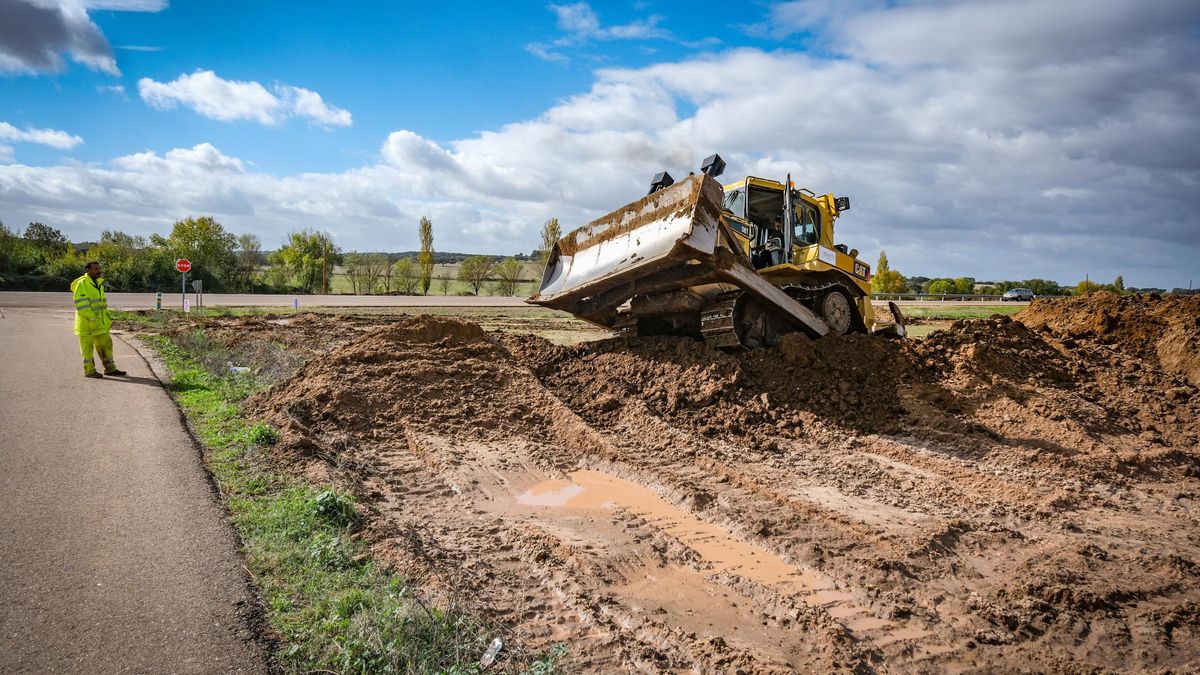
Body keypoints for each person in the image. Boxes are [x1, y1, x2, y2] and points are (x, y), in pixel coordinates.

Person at [71, 261, 126, 378]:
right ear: (88, 270)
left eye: (99, 268)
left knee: (106, 345)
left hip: (99, 324)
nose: (99, 271)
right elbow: (82, 306)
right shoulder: (83, 283)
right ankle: (89, 371)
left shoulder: (98, 283)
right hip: (86, 325)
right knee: (87, 350)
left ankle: (110, 368)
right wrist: (92, 317)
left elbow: (101, 304)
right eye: (96, 269)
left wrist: (106, 317)